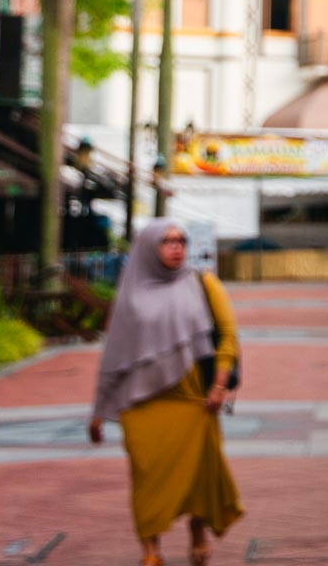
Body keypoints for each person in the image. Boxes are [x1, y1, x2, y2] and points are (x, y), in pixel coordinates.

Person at [90, 220, 243, 566]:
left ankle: (197, 533)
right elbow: (114, 355)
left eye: (181, 241)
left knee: (199, 474)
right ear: (147, 247)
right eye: (167, 241)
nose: (176, 248)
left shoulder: (202, 283)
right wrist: (99, 410)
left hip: (193, 400)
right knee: (146, 477)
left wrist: (219, 386)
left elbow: (229, 335)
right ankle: (150, 548)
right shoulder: (131, 292)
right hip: (142, 405)